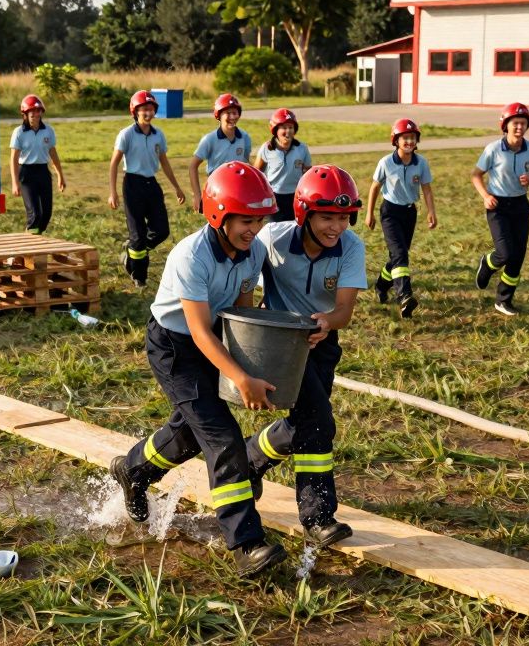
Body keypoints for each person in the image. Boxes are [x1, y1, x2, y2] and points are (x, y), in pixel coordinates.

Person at [110, 163, 286, 578]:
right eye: (245, 220)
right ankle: (246, 544)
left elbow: (241, 308)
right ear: (218, 215)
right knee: (221, 437)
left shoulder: (254, 251)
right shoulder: (190, 255)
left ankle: (132, 471)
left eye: (259, 220)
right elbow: (198, 333)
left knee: (191, 431)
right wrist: (241, 378)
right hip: (174, 347)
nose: (254, 229)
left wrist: (257, 352)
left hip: (212, 339)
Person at [245, 164, 366, 549]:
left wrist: (327, 322)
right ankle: (318, 517)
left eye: (344, 217)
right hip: (280, 346)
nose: (337, 227)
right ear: (304, 213)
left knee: (306, 422)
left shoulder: (352, 247)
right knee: (318, 421)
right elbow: (243, 278)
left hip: (324, 343)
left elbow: (345, 309)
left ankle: (250, 457)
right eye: (327, 216)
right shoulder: (271, 239)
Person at [471, 102, 529, 316]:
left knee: (518, 256)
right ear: (505, 125)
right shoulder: (493, 149)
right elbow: (476, 175)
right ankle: (488, 263)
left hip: (521, 206)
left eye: (523, 123)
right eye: (515, 123)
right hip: (498, 206)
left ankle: (503, 300)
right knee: (504, 253)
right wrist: (486, 196)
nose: (519, 127)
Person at [108, 90, 187, 287]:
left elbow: (165, 163)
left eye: (151, 109)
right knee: (138, 234)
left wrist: (177, 187)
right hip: (132, 185)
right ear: (135, 111)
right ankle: (139, 277)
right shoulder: (126, 134)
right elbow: (114, 163)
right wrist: (113, 192)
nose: (148, 113)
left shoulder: (158, 135)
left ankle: (133, 251)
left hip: (152, 184)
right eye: (143, 109)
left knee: (161, 231)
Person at [365, 118, 436, 319]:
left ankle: (381, 285)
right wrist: (369, 214)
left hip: (409, 213)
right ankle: (404, 296)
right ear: (396, 140)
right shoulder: (386, 162)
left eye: (412, 138)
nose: (409, 142)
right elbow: (375, 187)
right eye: (405, 138)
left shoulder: (421, 163)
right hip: (390, 213)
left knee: (398, 255)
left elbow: (427, 189)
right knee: (400, 255)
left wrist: (431, 211)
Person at [9, 95, 66, 235]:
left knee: (46, 213)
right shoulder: (19, 132)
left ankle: (35, 239)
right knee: (35, 214)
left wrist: (60, 175)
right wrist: (15, 183)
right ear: (25, 114)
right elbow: (13, 159)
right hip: (26, 174)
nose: (36, 114)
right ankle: (29, 247)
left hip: (43, 172)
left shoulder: (48, 131)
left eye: (39, 111)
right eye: (32, 112)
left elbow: (53, 154)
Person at [189, 93, 252, 213]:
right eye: (228, 113)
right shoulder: (209, 139)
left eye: (235, 113)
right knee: (217, 226)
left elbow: (246, 163)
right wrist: (197, 195)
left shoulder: (245, 137)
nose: (232, 117)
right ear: (218, 115)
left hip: (238, 190)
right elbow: (193, 166)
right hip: (216, 190)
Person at [252, 108, 312, 222]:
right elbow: (256, 173)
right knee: (277, 228)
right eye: (284, 128)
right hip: (275, 196)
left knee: (295, 227)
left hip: (295, 196)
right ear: (275, 130)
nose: (288, 131)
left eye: (291, 127)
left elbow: (308, 173)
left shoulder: (302, 148)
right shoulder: (267, 148)